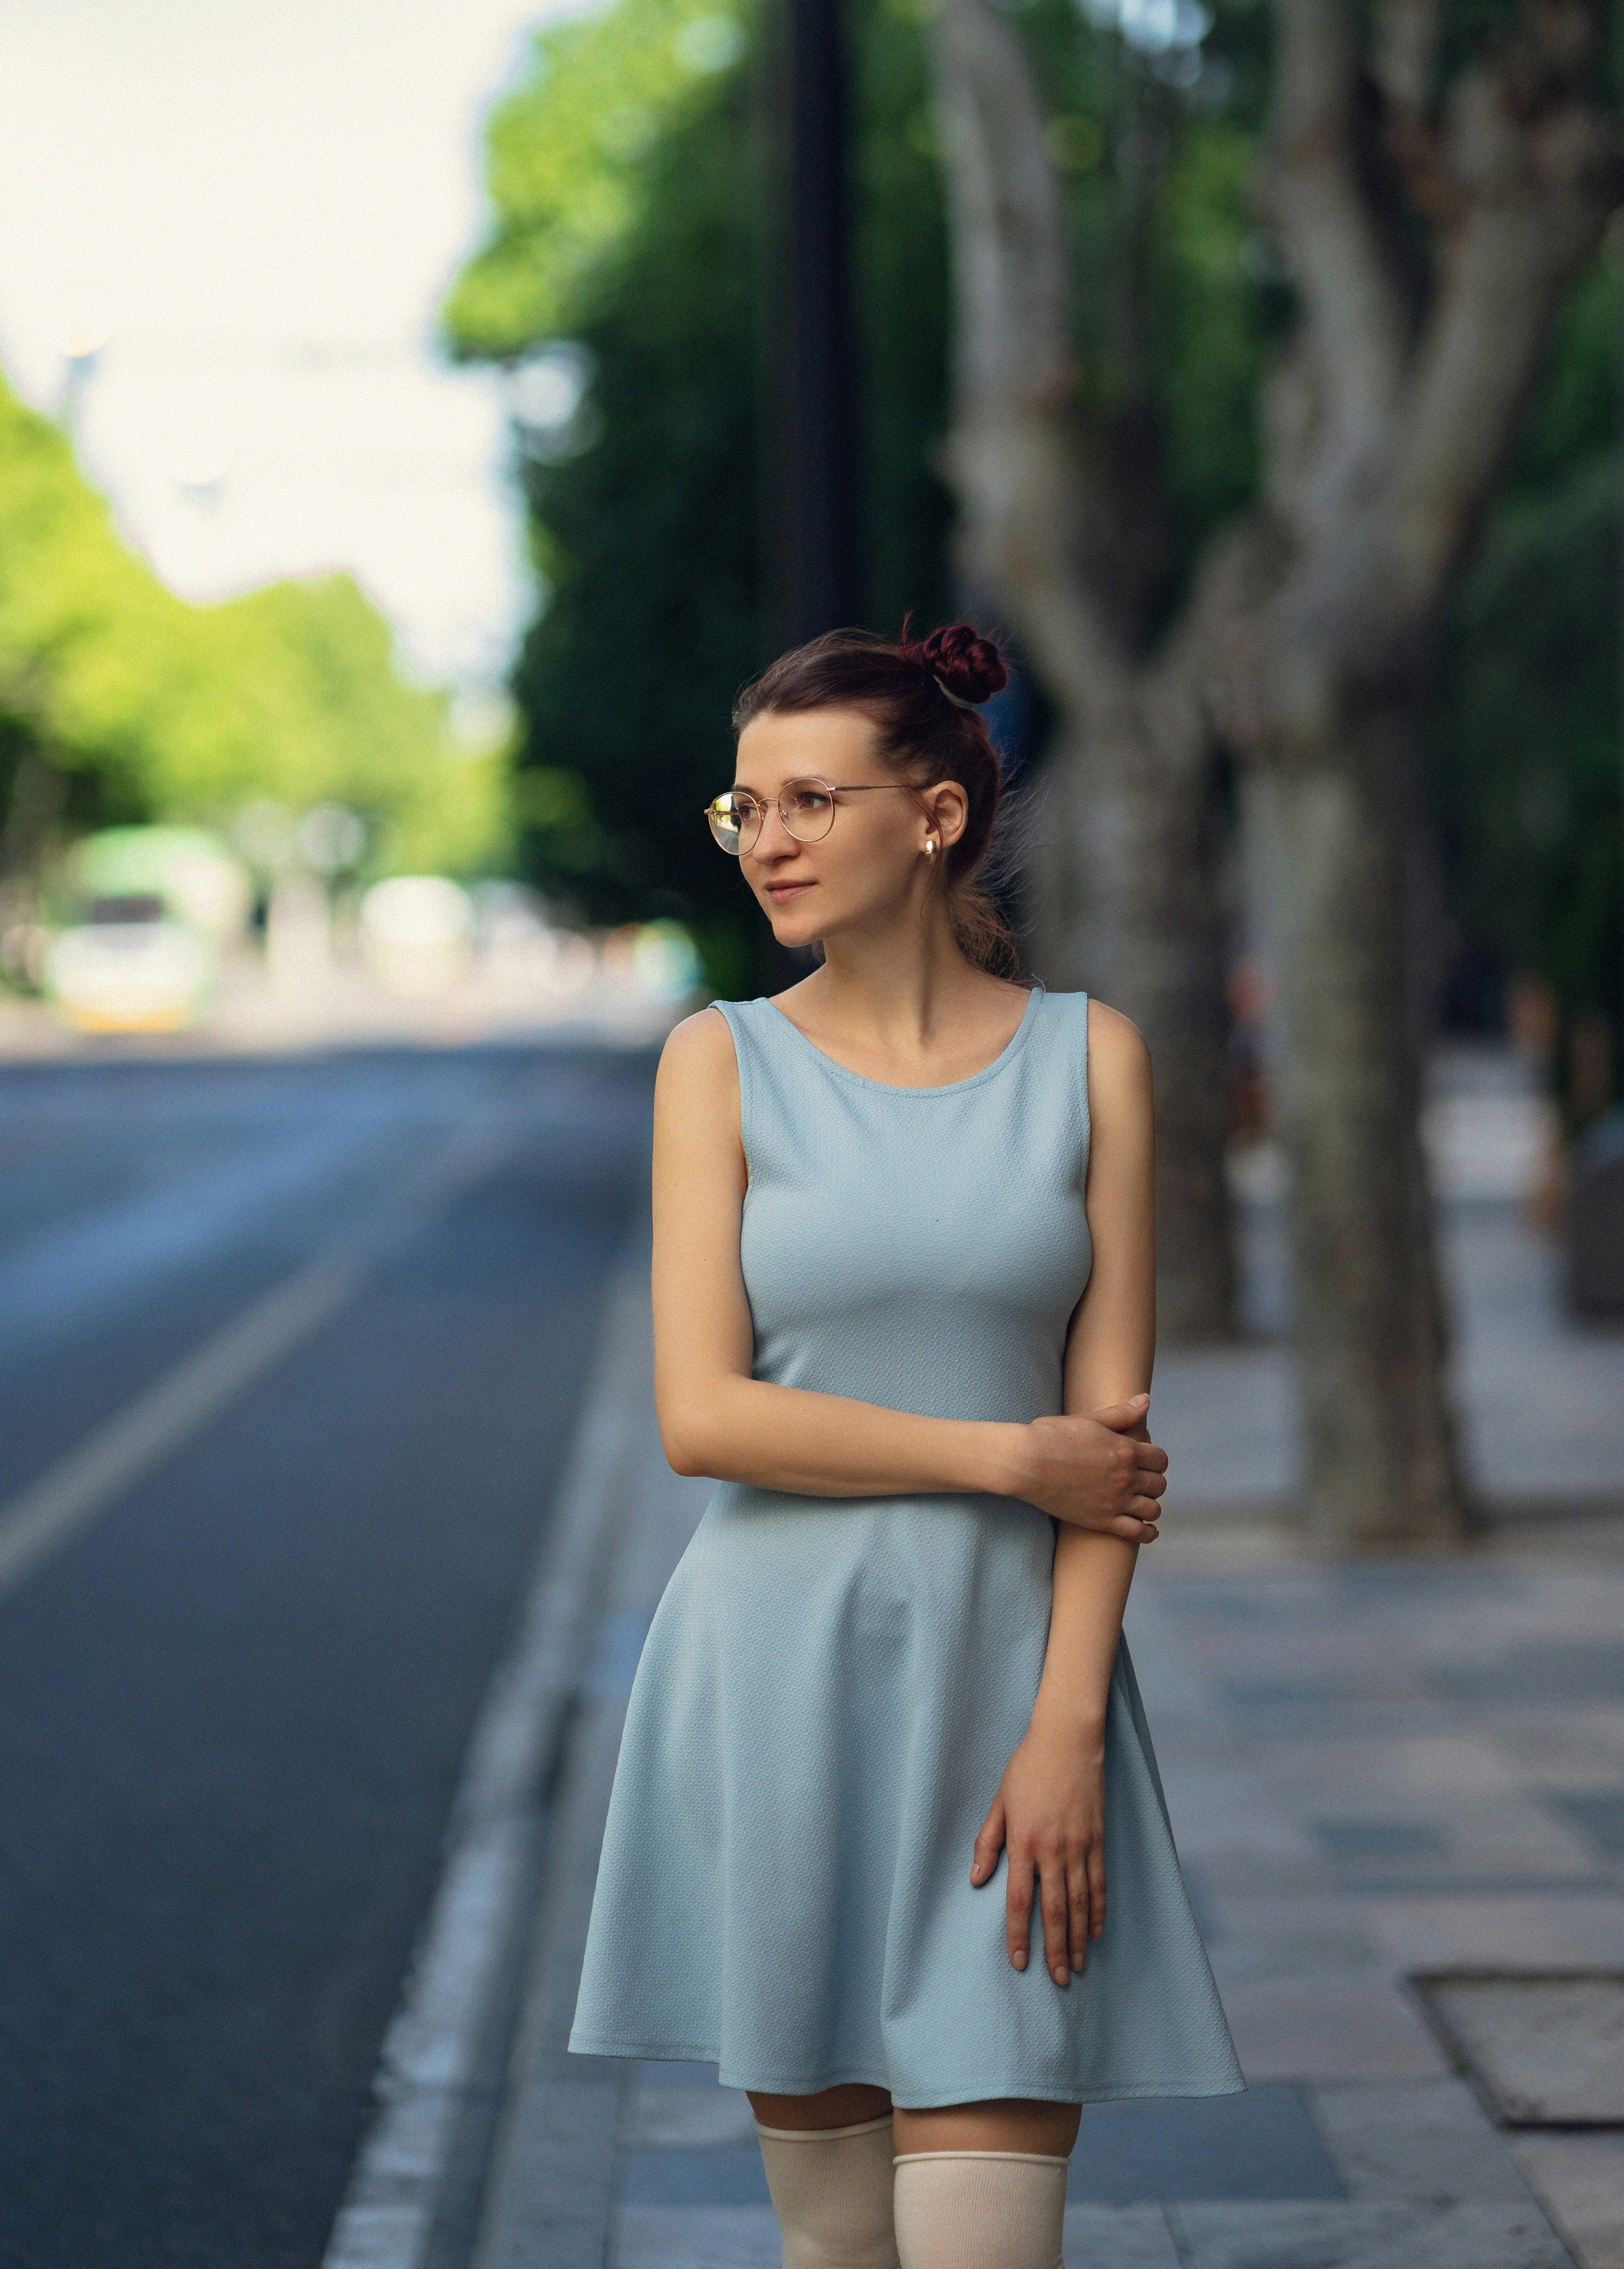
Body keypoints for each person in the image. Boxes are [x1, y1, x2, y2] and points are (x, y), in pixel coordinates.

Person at [569, 622, 1242, 2269]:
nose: (769, 842)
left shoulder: (1094, 1059)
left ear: (933, 814)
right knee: (835, 2251)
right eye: (746, 811)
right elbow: (703, 1415)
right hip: (774, 1686)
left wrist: (1069, 1729)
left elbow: (1117, 1440)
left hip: (1013, 1695)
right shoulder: (714, 1064)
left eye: (809, 799)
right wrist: (1003, 1459)